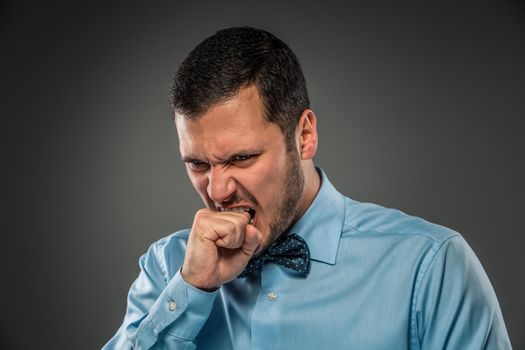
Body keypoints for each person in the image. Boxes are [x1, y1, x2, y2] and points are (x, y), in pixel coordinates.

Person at [103, 27, 512, 349]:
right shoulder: (165, 268)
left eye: (241, 158)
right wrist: (191, 291)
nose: (218, 188)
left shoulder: (429, 266)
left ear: (304, 136)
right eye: (197, 164)